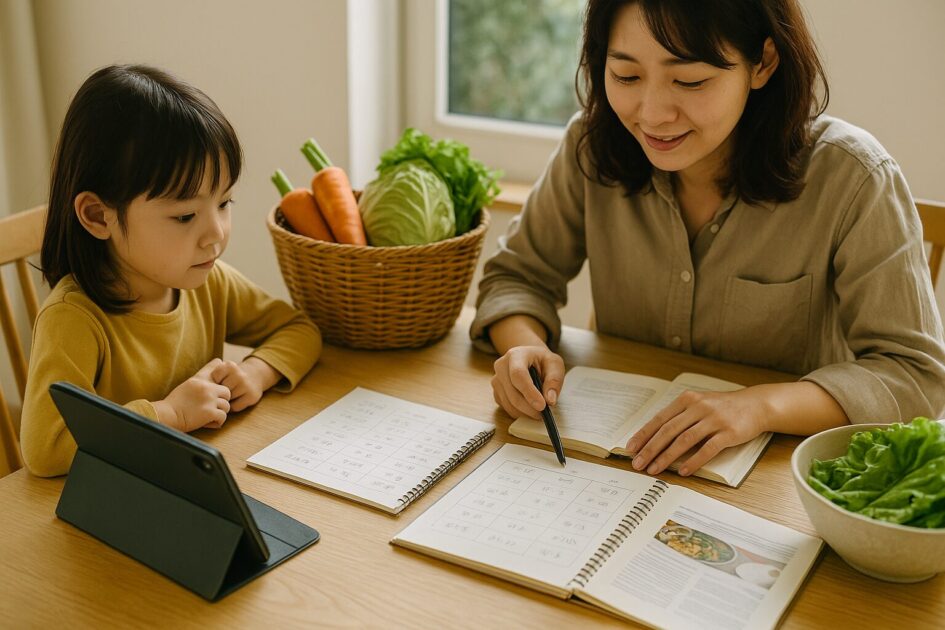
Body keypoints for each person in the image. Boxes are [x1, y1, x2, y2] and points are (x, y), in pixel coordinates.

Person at [472, 0, 945, 478]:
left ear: (763, 63)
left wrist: (758, 407)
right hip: (613, 466)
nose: (653, 115)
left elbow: (913, 375)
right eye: (626, 76)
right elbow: (517, 277)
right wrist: (523, 347)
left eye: (690, 81)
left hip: (778, 478)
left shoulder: (852, 177)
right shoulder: (593, 146)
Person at [20, 64, 322, 477]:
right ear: (98, 215)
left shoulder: (209, 281)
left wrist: (257, 372)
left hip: (191, 485)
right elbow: (45, 447)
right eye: (184, 217)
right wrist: (169, 415)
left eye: (224, 203)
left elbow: (298, 329)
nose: (215, 234)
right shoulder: (73, 319)